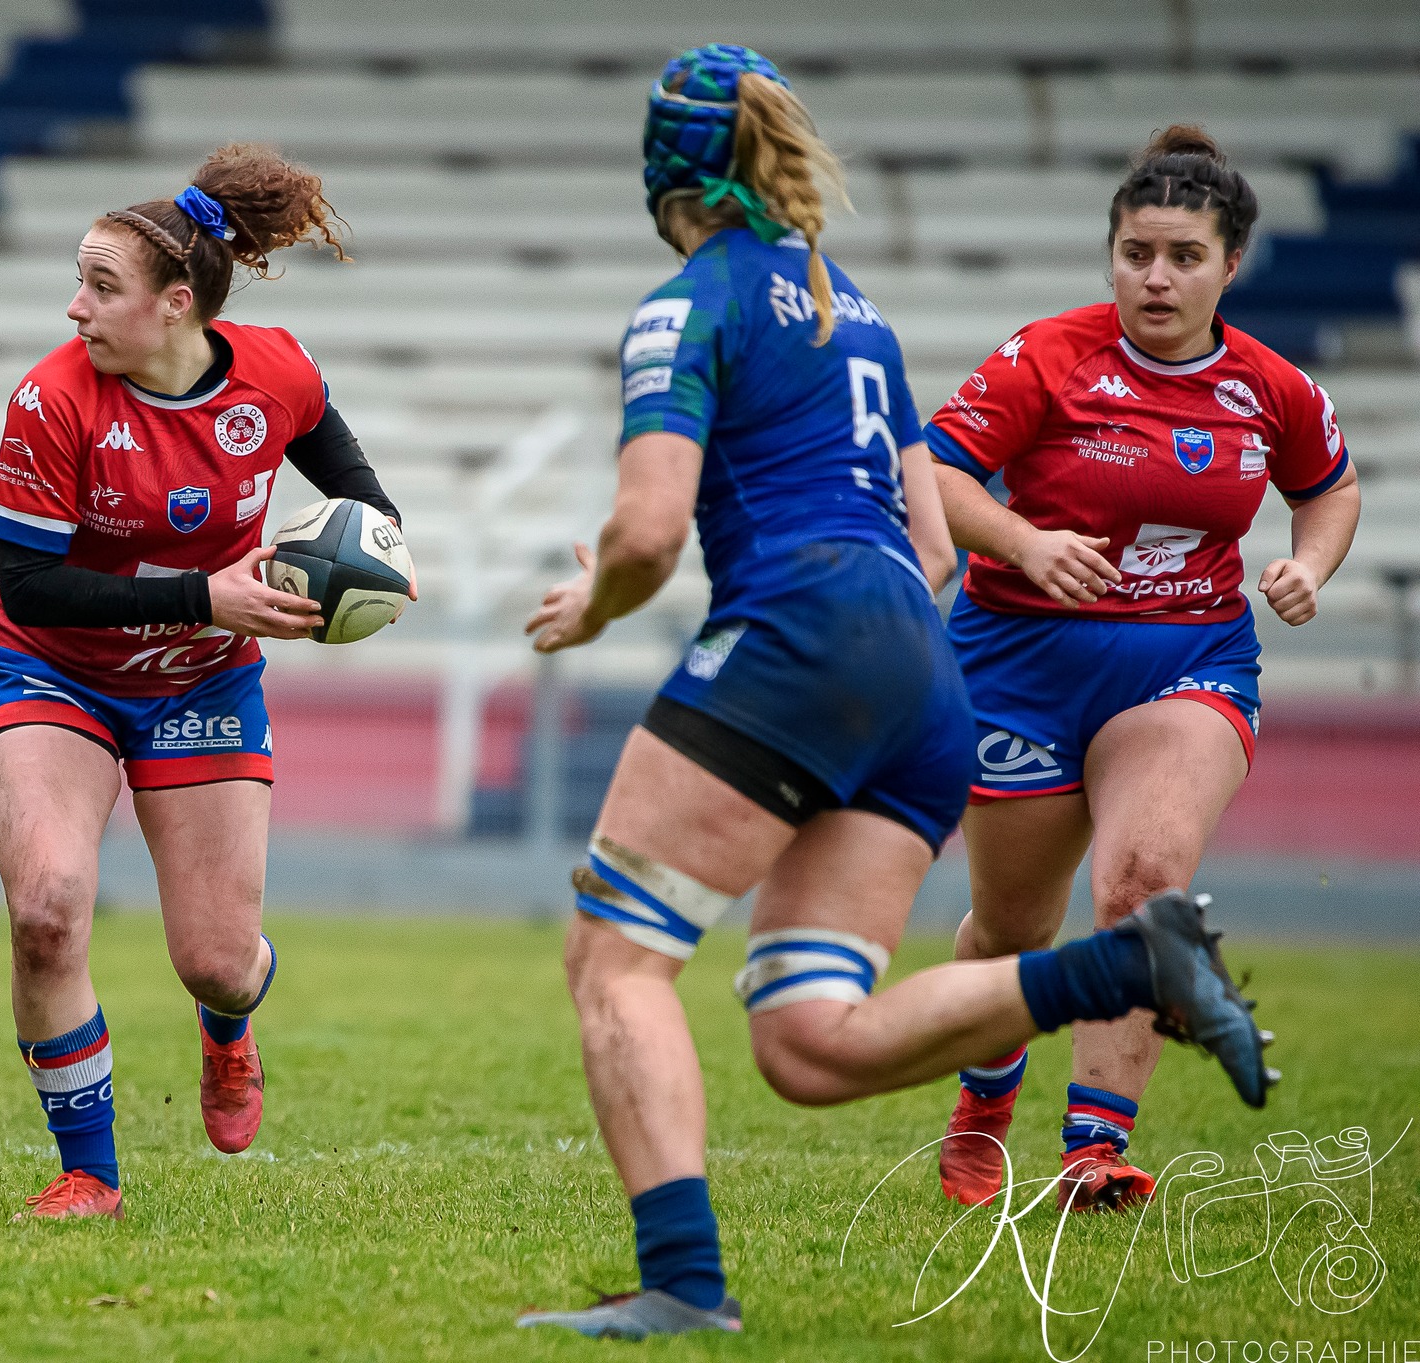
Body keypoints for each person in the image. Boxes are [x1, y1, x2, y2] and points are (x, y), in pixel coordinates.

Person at [512, 50, 1274, 1341]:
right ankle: (1125, 960)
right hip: (925, 668)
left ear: (664, 173)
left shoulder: (687, 304)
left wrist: (589, 606)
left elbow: (645, 532)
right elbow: (933, 545)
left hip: (799, 635)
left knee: (618, 955)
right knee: (812, 1041)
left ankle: (685, 1285)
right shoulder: (849, 303)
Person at [922, 126, 1359, 1213]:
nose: (1153, 276)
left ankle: (1091, 1150)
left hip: (1187, 660)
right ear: (1110, 253)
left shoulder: (1271, 388)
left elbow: (1329, 489)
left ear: (1228, 264)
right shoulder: (1046, 357)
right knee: (1015, 925)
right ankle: (982, 1103)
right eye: (1133, 253)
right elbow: (934, 474)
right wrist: (1021, 543)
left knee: (1141, 885)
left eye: (1179, 256)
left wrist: (1307, 563)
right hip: (1016, 662)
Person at [0, 143, 406, 1222]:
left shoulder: (274, 372)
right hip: (55, 674)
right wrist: (202, 595)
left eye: (100, 286)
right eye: (77, 280)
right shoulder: (49, 400)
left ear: (177, 305)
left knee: (216, 962)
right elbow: (29, 587)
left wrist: (369, 560)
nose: (74, 307)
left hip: (200, 684)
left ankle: (228, 1030)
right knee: (46, 909)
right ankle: (90, 1174)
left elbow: (354, 483)